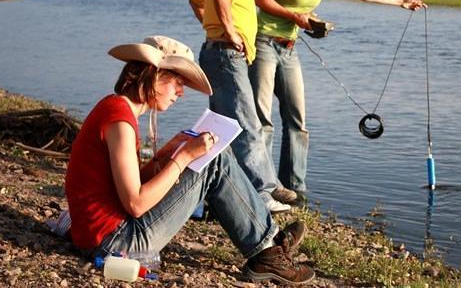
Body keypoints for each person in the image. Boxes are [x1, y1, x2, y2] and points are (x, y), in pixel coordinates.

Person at [64, 35, 315, 285]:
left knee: (212, 156)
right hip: (115, 243)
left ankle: (269, 241)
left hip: (104, 236)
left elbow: (128, 185)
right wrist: (184, 156)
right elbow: (136, 203)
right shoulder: (120, 120)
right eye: (178, 82)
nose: (181, 93)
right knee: (215, 161)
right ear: (155, 74)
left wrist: (166, 153)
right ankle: (267, 250)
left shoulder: (116, 109)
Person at [251, 0, 427, 197]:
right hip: (264, 42)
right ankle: (262, 188)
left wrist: (402, 0)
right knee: (263, 120)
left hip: (289, 47)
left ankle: (294, 189)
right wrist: (295, 16)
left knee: (297, 120)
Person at [188, 0, 297, 212]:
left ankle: (217, 190)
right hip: (226, 56)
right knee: (247, 124)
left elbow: (195, 0)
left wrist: (212, 29)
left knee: (224, 126)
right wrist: (229, 33)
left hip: (219, 53)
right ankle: (263, 192)